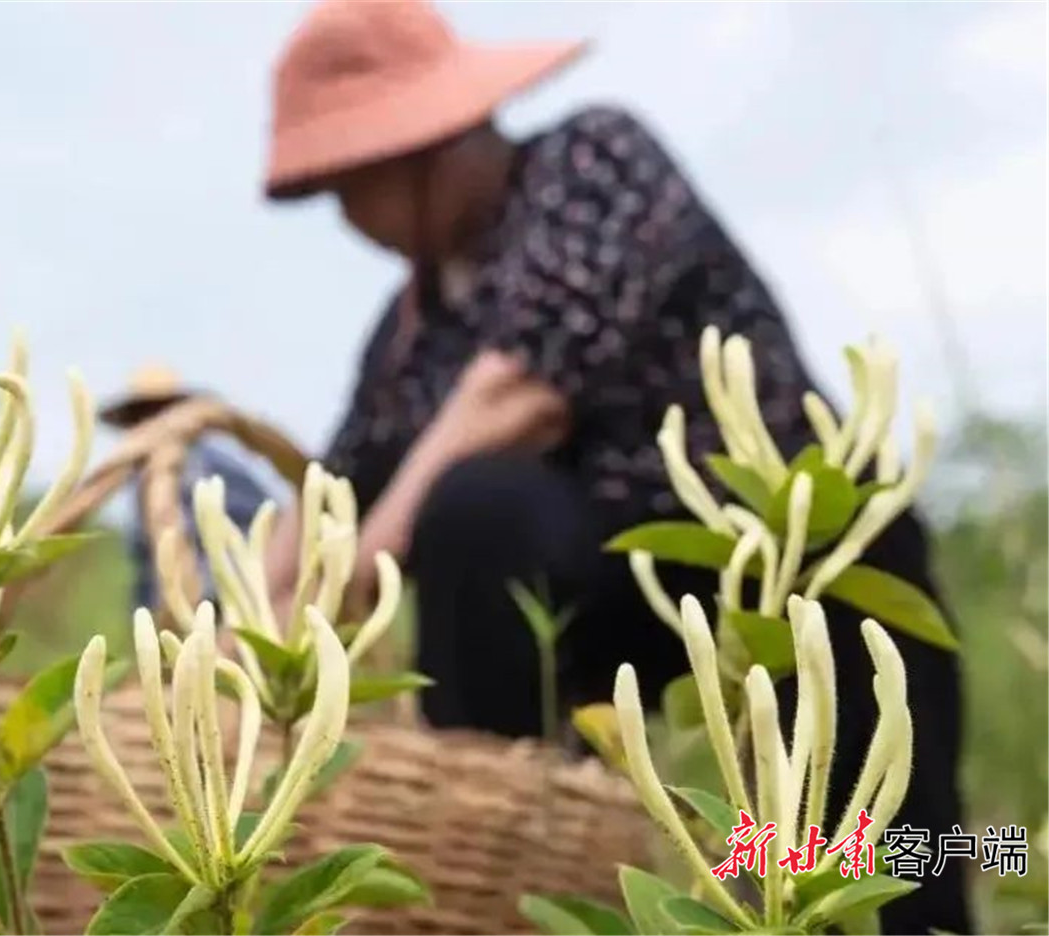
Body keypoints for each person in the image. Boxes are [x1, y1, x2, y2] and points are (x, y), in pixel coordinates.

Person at [257, 2, 968, 931]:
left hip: (791, 551)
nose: (351, 220)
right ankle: (494, 853)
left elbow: (519, 393)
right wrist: (250, 630)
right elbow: (333, 493)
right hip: (623, 595)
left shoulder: (589, 164)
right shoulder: (407, 336)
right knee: (478, 515)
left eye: (353, 187)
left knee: (879, 852)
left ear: (424, 147)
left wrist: (372, 553)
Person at [99, 365, 277, 613]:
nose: (149, 424)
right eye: (139, 416)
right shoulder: (142, 476)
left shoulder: (195, 466)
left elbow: (258, 526)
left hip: (222, 599)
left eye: (158, 412)